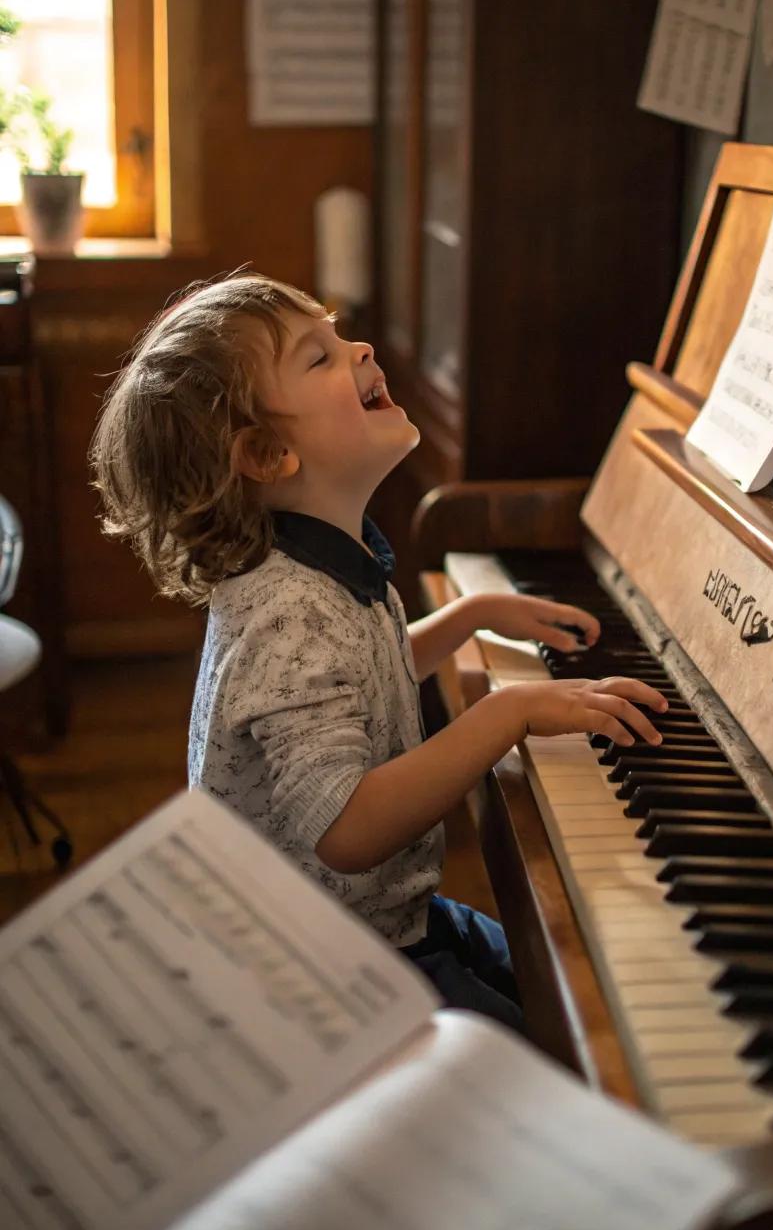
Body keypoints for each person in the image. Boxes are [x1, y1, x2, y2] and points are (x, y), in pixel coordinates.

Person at [90, 273, 667, 1029]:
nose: (359, 348)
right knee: (564, 1031)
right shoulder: (289, 613)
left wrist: (470, 617)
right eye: (319, 358)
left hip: (384, 927)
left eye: (339, 336)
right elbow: (346, 830)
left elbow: (359, 679)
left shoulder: (321, 565)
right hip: (331, 972)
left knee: (562, 982)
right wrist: (509, 712)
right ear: (267, 455)